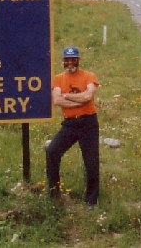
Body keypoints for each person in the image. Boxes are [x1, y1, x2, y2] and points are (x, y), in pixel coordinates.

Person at [46, 46, 100, 205]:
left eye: (73, 59)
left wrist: (67, 95)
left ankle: (91, 201)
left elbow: (88, 96)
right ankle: (54, 193)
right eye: (67, 59)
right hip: (70, 124)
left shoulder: (89, 76)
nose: (70, 62)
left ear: (79, 60)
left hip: (88, 123)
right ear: (63, 61)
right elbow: (56, 100)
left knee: (91, 162)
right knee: (52, 151)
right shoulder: (58, 79)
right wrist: (79, 99)